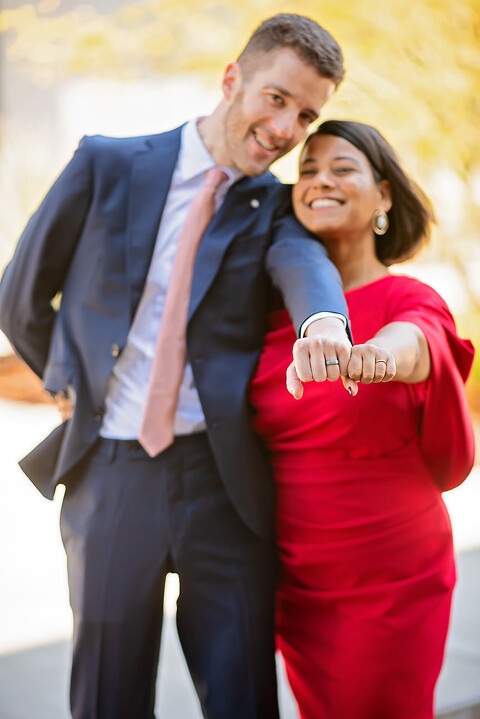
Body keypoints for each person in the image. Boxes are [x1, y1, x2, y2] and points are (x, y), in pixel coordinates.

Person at [0, 15, 355, 719]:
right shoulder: (105, 162)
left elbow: (304, 265)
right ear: (233, 80)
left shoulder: (273, 207)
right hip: (111, 473)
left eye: (307, 114)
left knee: (242, 697)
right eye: (277, 99)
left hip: (223, 486)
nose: (288, 129)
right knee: (108, 696)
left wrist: (324, 323)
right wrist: (66, 380)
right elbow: (21, 294)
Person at [249, 120, 475, 719]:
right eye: (308, 169)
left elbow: (421, 343)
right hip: (295, 578)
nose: (321, 180)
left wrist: (375, 357)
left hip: (390, 576)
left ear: (383, 196)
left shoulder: (408, 298)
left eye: (342, 168)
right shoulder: (270, 313)